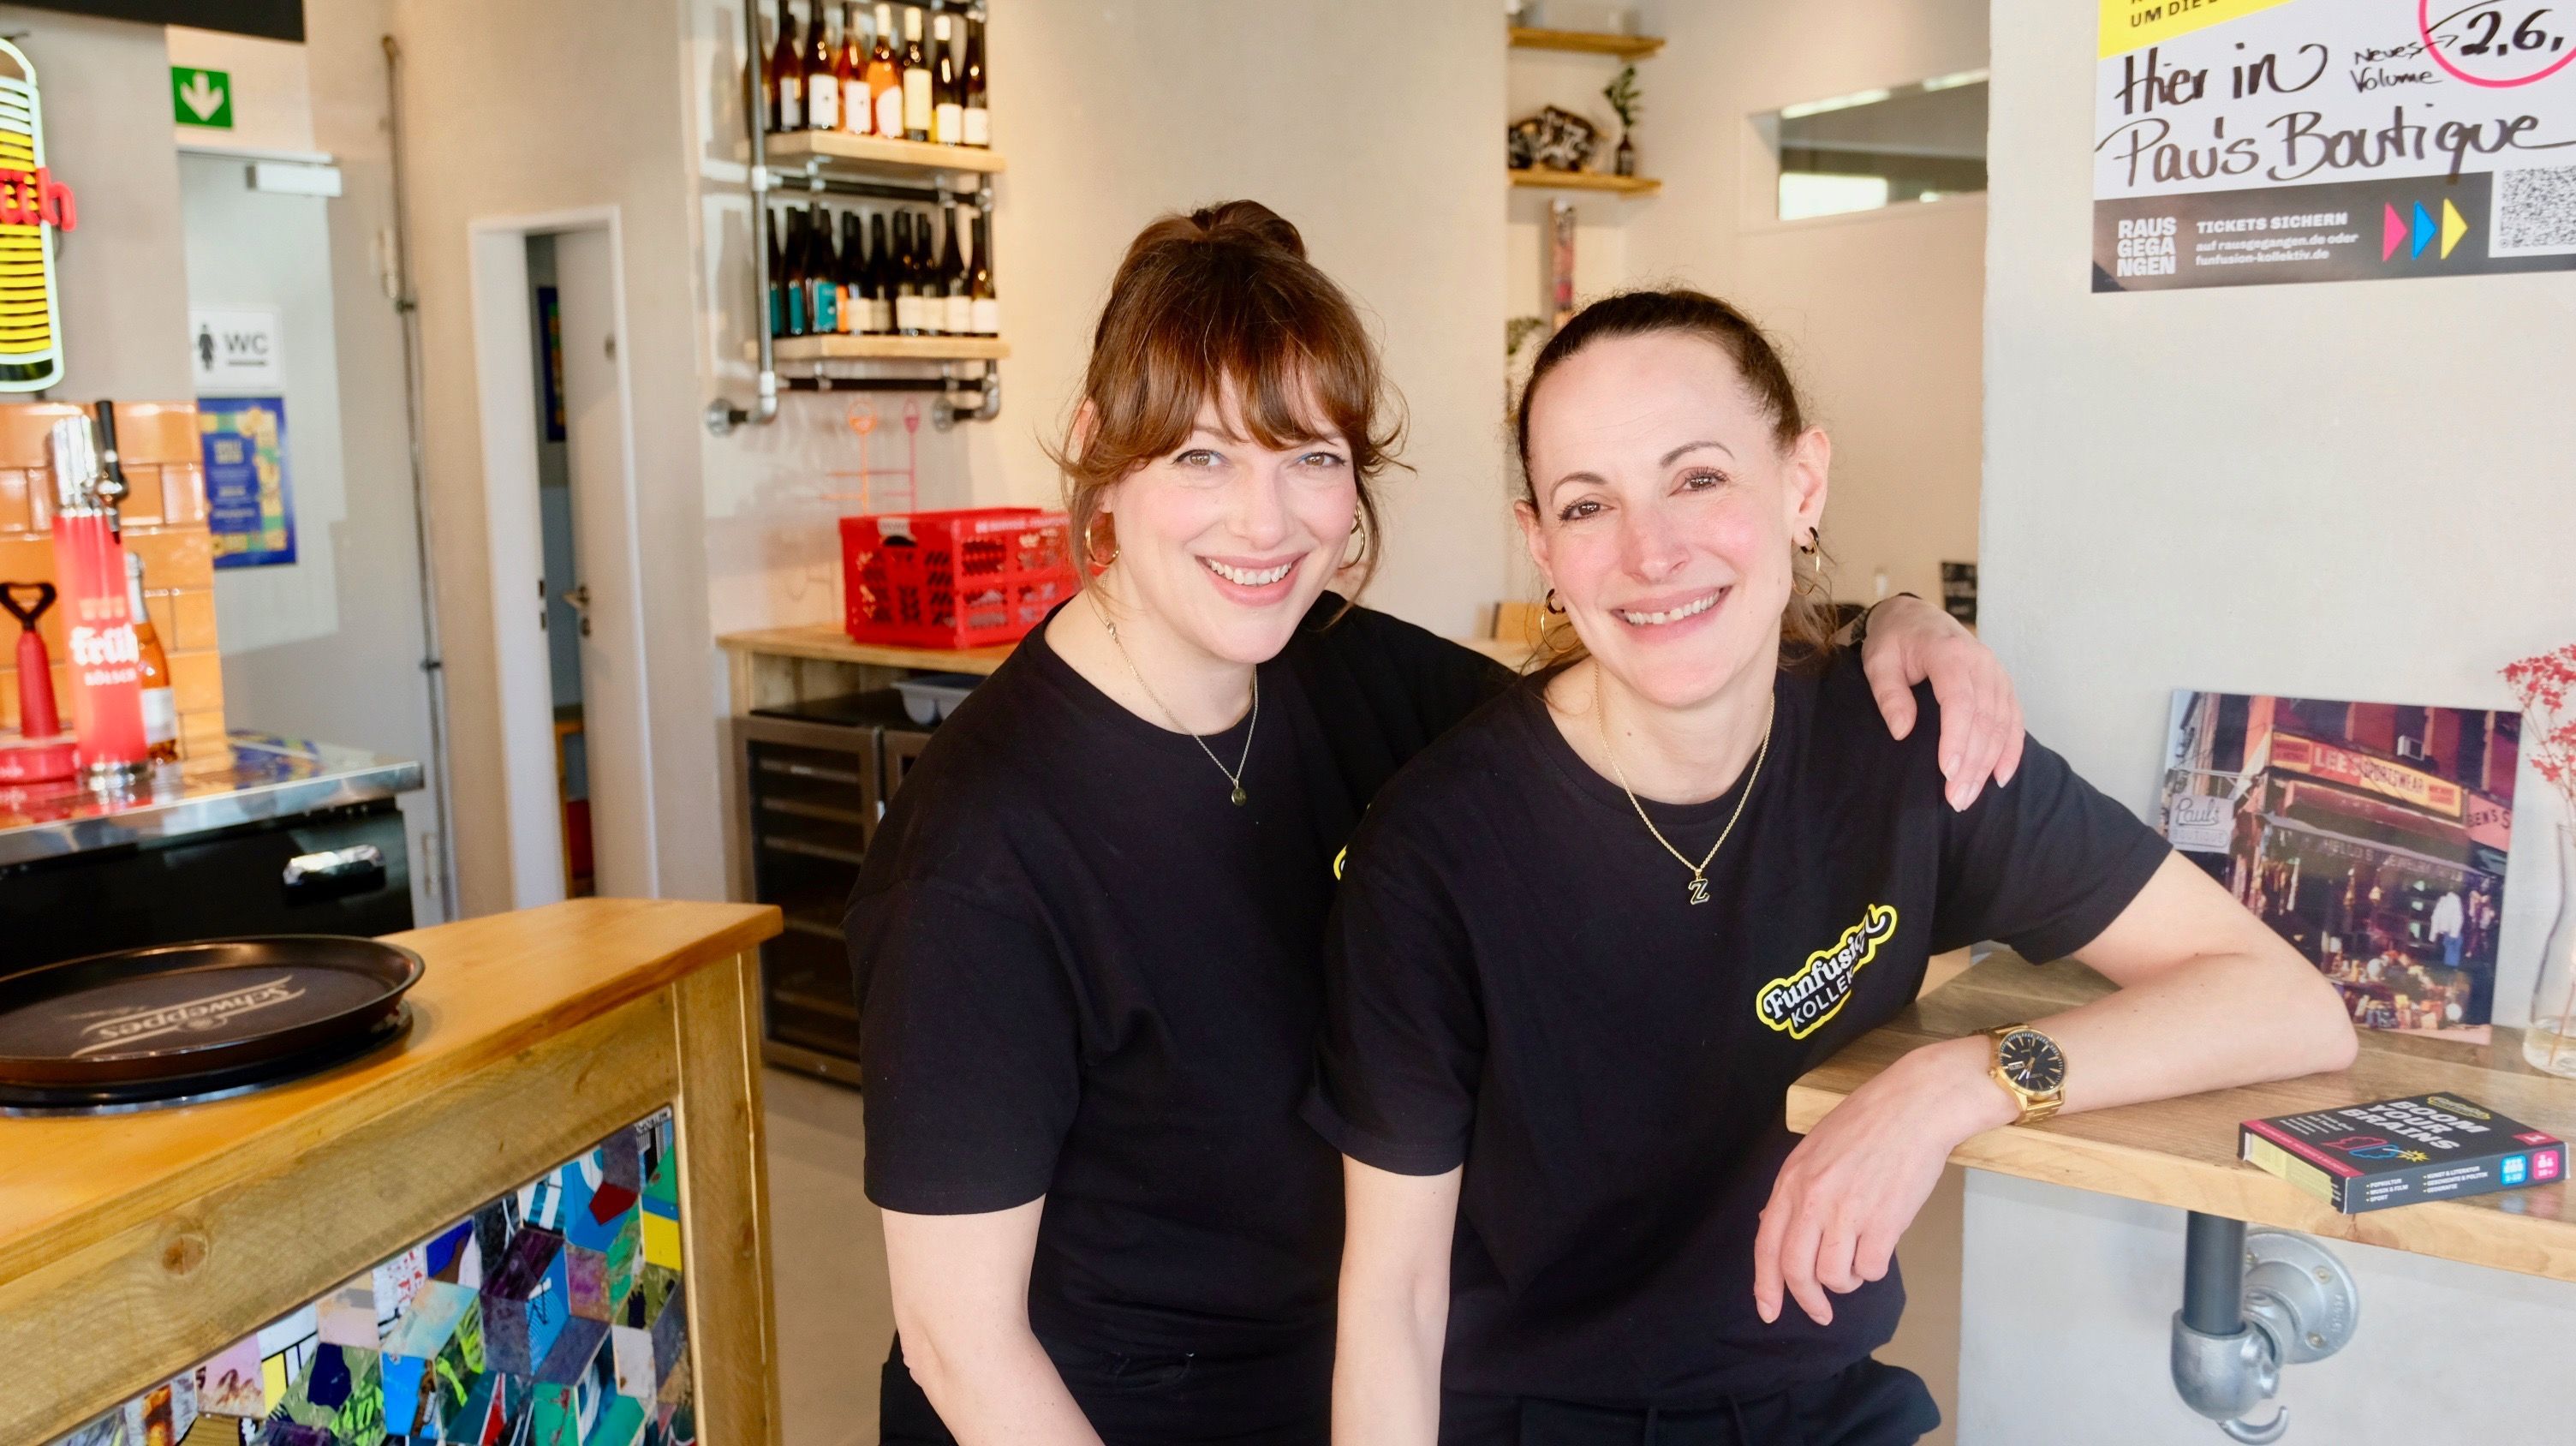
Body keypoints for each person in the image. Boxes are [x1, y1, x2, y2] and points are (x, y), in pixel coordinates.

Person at [847, 214, 2030, 1446]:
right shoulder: (979, 856)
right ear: (1099, 453)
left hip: (1360, 1385)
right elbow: (960, 1341)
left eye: (1309, 458)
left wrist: (1883, 628)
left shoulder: (1343, 676)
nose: (1266, 524)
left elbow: (1648, 675)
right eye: (1200, 458)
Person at [1315, 290, 2358, 1446]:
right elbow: (1394, 1303)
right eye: (1587, 503)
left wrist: (1961, 1081)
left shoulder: (1909, 744)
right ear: (1542, 545)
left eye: (1699, 478)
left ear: (1801, 483)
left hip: (1825, 1411)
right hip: (1540, 1421)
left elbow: (2288, 1005)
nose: (1650, 551)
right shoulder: (1437, 847)